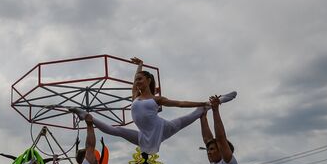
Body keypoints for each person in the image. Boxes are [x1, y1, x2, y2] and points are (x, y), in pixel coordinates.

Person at [70, 58, 227, 155]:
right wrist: (140, 65)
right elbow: (134, 80)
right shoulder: (135, 97)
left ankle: (208, 105)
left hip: (162, 128)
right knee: (116, 130)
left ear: (148, 80)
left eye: (140, 79)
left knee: (189, 117)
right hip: (144, 136)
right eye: (136, 80)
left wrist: (201, 102)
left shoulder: (156, 100)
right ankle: (86, 116)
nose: (137, 82)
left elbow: (180, 103)